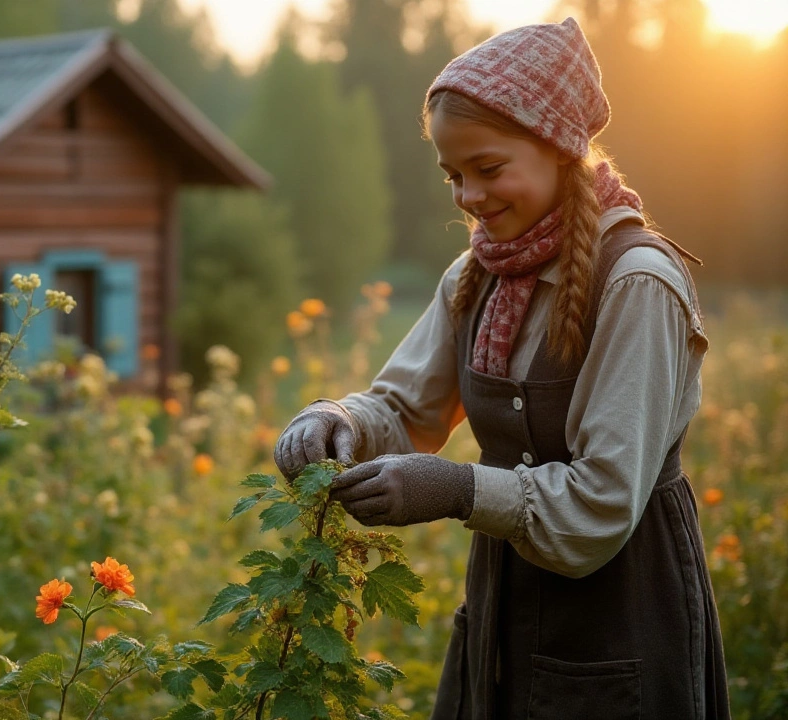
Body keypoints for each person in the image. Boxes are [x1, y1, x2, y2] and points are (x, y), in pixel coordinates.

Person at [273, 17, 729, 720]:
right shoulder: (476, 275)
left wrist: (458, 489)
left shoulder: (637, 281)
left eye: (488, 169)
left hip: (625, 612)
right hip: (502, 604)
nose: (469, 197)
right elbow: (407, 412)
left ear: (560, 149)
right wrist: (338, 421)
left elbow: (601, 505)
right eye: (454, 175)